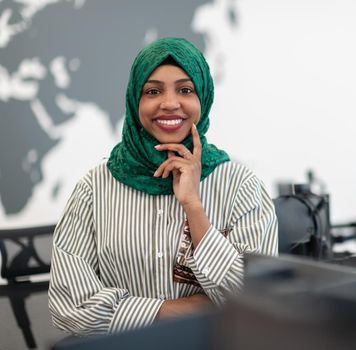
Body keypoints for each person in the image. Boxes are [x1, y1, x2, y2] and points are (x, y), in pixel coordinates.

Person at [48, 37, 278, 336]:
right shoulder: (93, 189)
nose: (169, 103)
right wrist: (180, 310)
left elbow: (258, 302)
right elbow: (69, 308)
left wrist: (194, 208)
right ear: (135, 100)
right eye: (153, 91)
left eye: (185, 90)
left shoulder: (240, 187)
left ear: (203, 98)